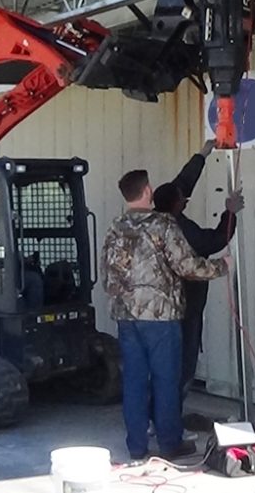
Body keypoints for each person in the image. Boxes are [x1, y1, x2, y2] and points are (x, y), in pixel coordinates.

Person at [102, 169, 231, 462]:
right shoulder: (163, 225)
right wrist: (222, 266)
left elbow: (107, 270)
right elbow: (187, 266)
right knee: (166, 380)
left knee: (134, 381)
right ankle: (170, 444)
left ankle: (136, 446)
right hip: (160, 317)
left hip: (126, 316)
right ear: (147, 191)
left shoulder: (115, 227)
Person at [153, 140, 244, 408]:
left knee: (156, 368)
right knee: (181, 368)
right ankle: (168, 423)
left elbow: (179, 186)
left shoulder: (153, 219)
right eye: (184, 200)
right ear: (178, 205)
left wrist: (202, 154)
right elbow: (213, 241)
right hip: (183, 308)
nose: (186, 199)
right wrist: (230, 212)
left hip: (154, 310)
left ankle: (152, 422)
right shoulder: (178, 228)